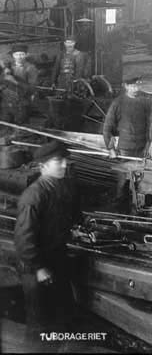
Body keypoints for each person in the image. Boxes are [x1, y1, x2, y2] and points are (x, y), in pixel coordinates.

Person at [14, 141, 82, 351]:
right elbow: (23, 238)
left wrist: (77, 227)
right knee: (39, 323)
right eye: (58, 161)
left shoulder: (63, 186)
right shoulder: (34, 195)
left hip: (56, 259)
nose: (64, 165)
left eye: (65, 160)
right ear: (43, 166)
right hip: (35, 267)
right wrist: (39, 268)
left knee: (63, 315)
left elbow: (72, 215)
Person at [103, 75, 152, 210]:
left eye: (138, 85)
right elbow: (107, 127)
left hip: (143, 147)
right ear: (126, 86)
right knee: (123, 180)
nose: (136, 88)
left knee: (142, 179)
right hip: (125, 148)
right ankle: (120, 205)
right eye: (132, 86)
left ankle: (139, 206)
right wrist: (110, 148)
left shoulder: (147, 100)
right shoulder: (118, 102)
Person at [1, 43, 40, 125]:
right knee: (6, 125)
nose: (19, 57)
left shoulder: (31, 68)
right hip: (6, 102)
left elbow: (32, 89)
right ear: (13, 55)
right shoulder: (9, 67)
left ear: (26, 55)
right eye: (17, 54)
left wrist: (15, 81)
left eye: (22, 54)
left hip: (22, 103)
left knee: (21, 127)